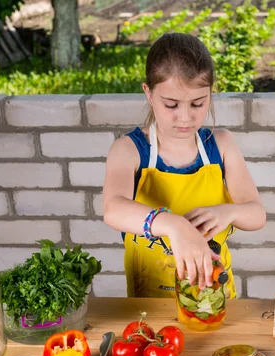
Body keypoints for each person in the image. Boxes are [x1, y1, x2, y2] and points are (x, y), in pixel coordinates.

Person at [102, 33, 266, 299]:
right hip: (151, 304)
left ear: (210, 95)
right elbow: (113, 209)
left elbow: (257, 214)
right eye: (171, 105)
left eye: (198, 104)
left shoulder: (221, 144)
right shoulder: (129, 150)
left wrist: (229, 213)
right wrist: (174, 225)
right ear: (149, 93)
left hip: (214, 297)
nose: (185, 117)